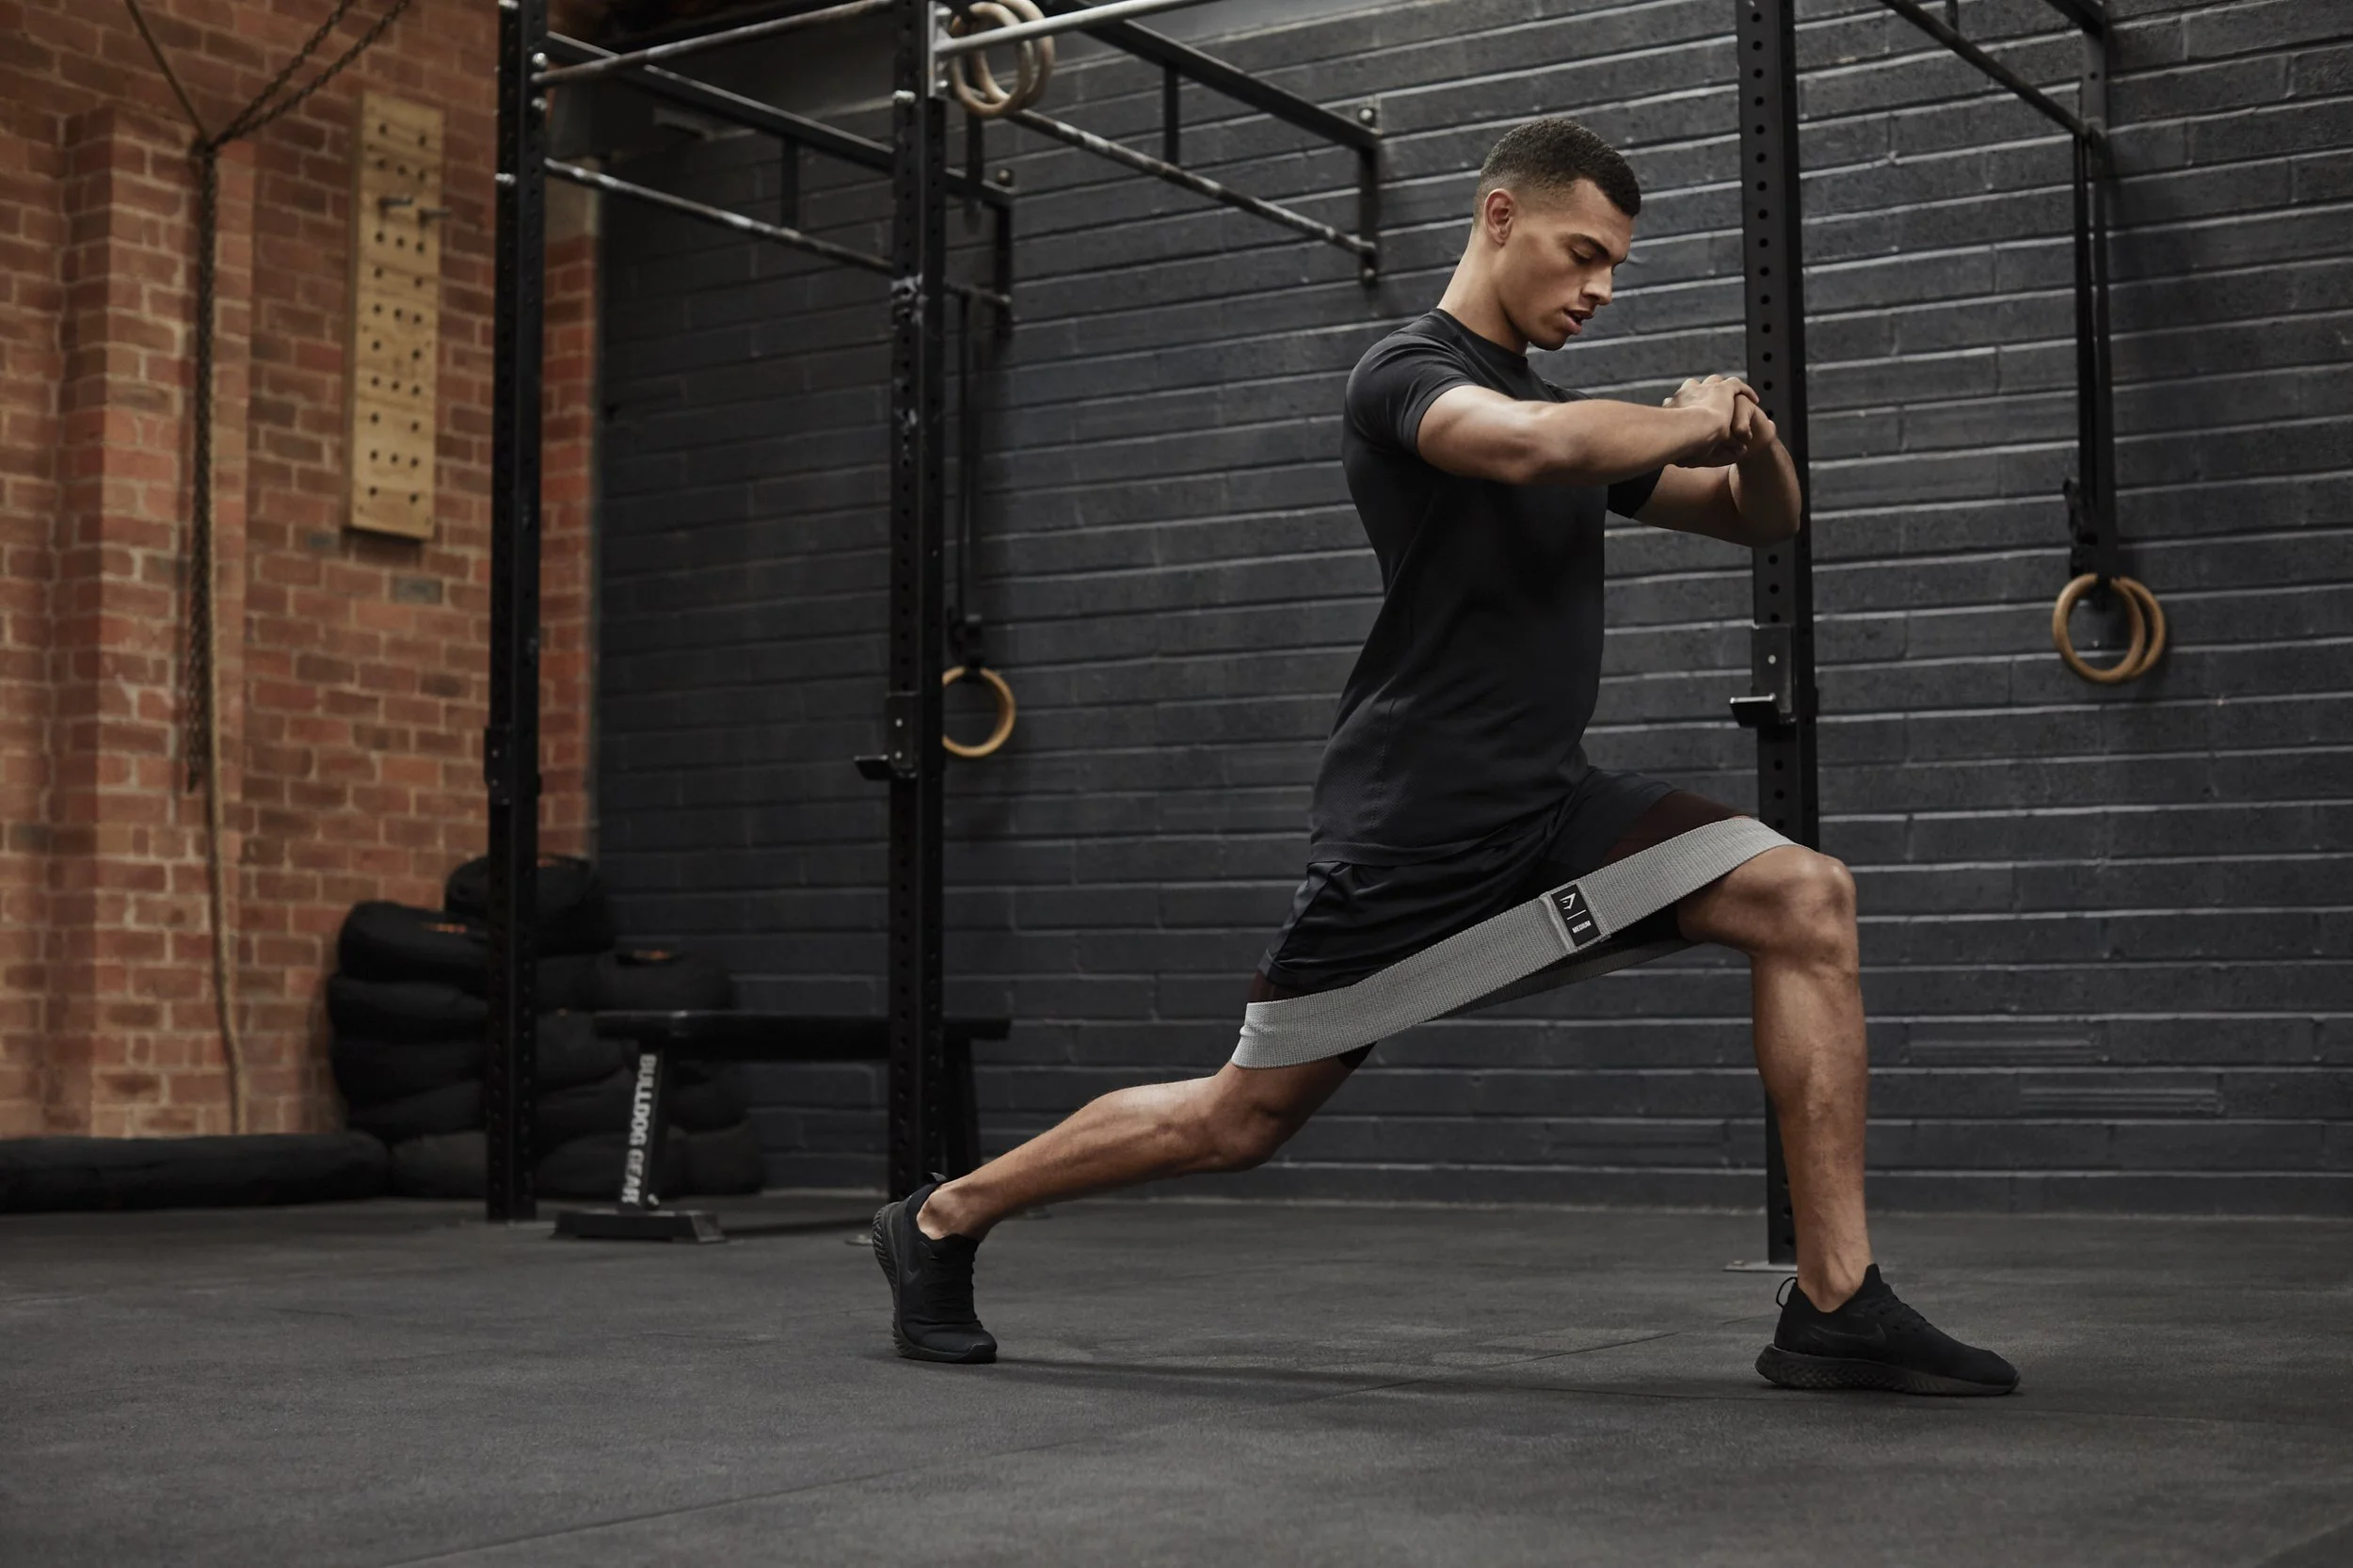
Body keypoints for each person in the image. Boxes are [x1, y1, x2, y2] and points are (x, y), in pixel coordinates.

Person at [874, 117, 2017, 1397]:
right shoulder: (1406, 373)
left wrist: (1748, 433)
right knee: (1238, 1119)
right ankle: (940, 1217)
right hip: (1412, 828)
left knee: (1803, 894)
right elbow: (1526, 447)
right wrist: (1678, 416)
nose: (1600, 287)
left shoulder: (1570, 415)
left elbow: (1764, 521)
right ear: (1498, 218)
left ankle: (1836, 1301)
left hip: (1551, 807)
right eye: (1583, 253)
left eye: (1617, 267)